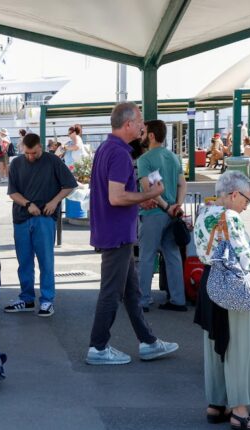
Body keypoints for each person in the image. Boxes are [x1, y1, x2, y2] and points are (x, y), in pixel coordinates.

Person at [85, 102, 178, 366]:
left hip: (115, 232)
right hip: (117, 234)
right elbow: (116, 197)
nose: (142, 126)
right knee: (111, 292)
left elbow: (114, 195)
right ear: (127, 124)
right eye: (139, 122)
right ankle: (98, 347)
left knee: (131, 292)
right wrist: (149, 194)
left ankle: (148, 342)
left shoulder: (108, 148)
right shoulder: (118, 153)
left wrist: (139, 200)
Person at [193, 171, 250, 430]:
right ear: (233, 194)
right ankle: (240, 414)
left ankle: (217, 405)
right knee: (241, 349)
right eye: (247, 200)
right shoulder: (231, 217)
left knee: (217, 345)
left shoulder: (205, 213)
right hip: (234, 286)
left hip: (211, 283)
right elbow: (244, 260)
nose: (247, 206)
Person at [5, 133, 77, 317]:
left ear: (41, 147)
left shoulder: (52, 161)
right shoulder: (16, 163)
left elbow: (69, 185)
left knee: (46, 261)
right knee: (24, 262)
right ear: (22, 148)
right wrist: (28, 204)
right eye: (27, 153)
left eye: (34, 153)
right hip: (21, 217)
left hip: (45, 217)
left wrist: (54, 202)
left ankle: (47, 300)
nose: (30, 156)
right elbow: (12, 192)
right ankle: (27, 298)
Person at [137, 119, 188, 313]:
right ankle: (178, 299)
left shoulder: (146, 159)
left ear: (151, 135)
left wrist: (166, 206)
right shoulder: (173, 157)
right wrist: (177, 205)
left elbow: (149, 187)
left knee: (147, 256)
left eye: (143, 133)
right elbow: (182, 184)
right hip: (173, 215)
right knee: (172, 255)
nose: (141, 136)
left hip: (154, 213)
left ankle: (143, 299)